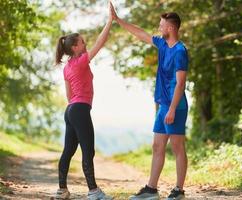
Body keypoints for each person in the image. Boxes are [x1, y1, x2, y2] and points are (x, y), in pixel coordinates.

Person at [111, 4, 188, 200]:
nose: (159, 28)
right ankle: (151, 189)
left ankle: (179, 190)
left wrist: (171, 109)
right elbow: (141, 34)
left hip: (175, 106)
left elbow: (180, 84)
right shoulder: (162, 45)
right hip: (164, 105)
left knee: (177, 147)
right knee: (157, 146)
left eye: (162, 25)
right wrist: (118, 21)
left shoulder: (180, 51)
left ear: (170, 28)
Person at [54, 2, 114, 200]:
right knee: (88, 150)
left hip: (71, 110)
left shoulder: (67, 67)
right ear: (74, 47)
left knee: (68, 151)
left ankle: (62, 190)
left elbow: (69, 96)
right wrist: (109, 21)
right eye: (82, 42)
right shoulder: (81, 61)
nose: (85, 43)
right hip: (79, 110)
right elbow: (100, 42)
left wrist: (77, 105)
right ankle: (93, 191)